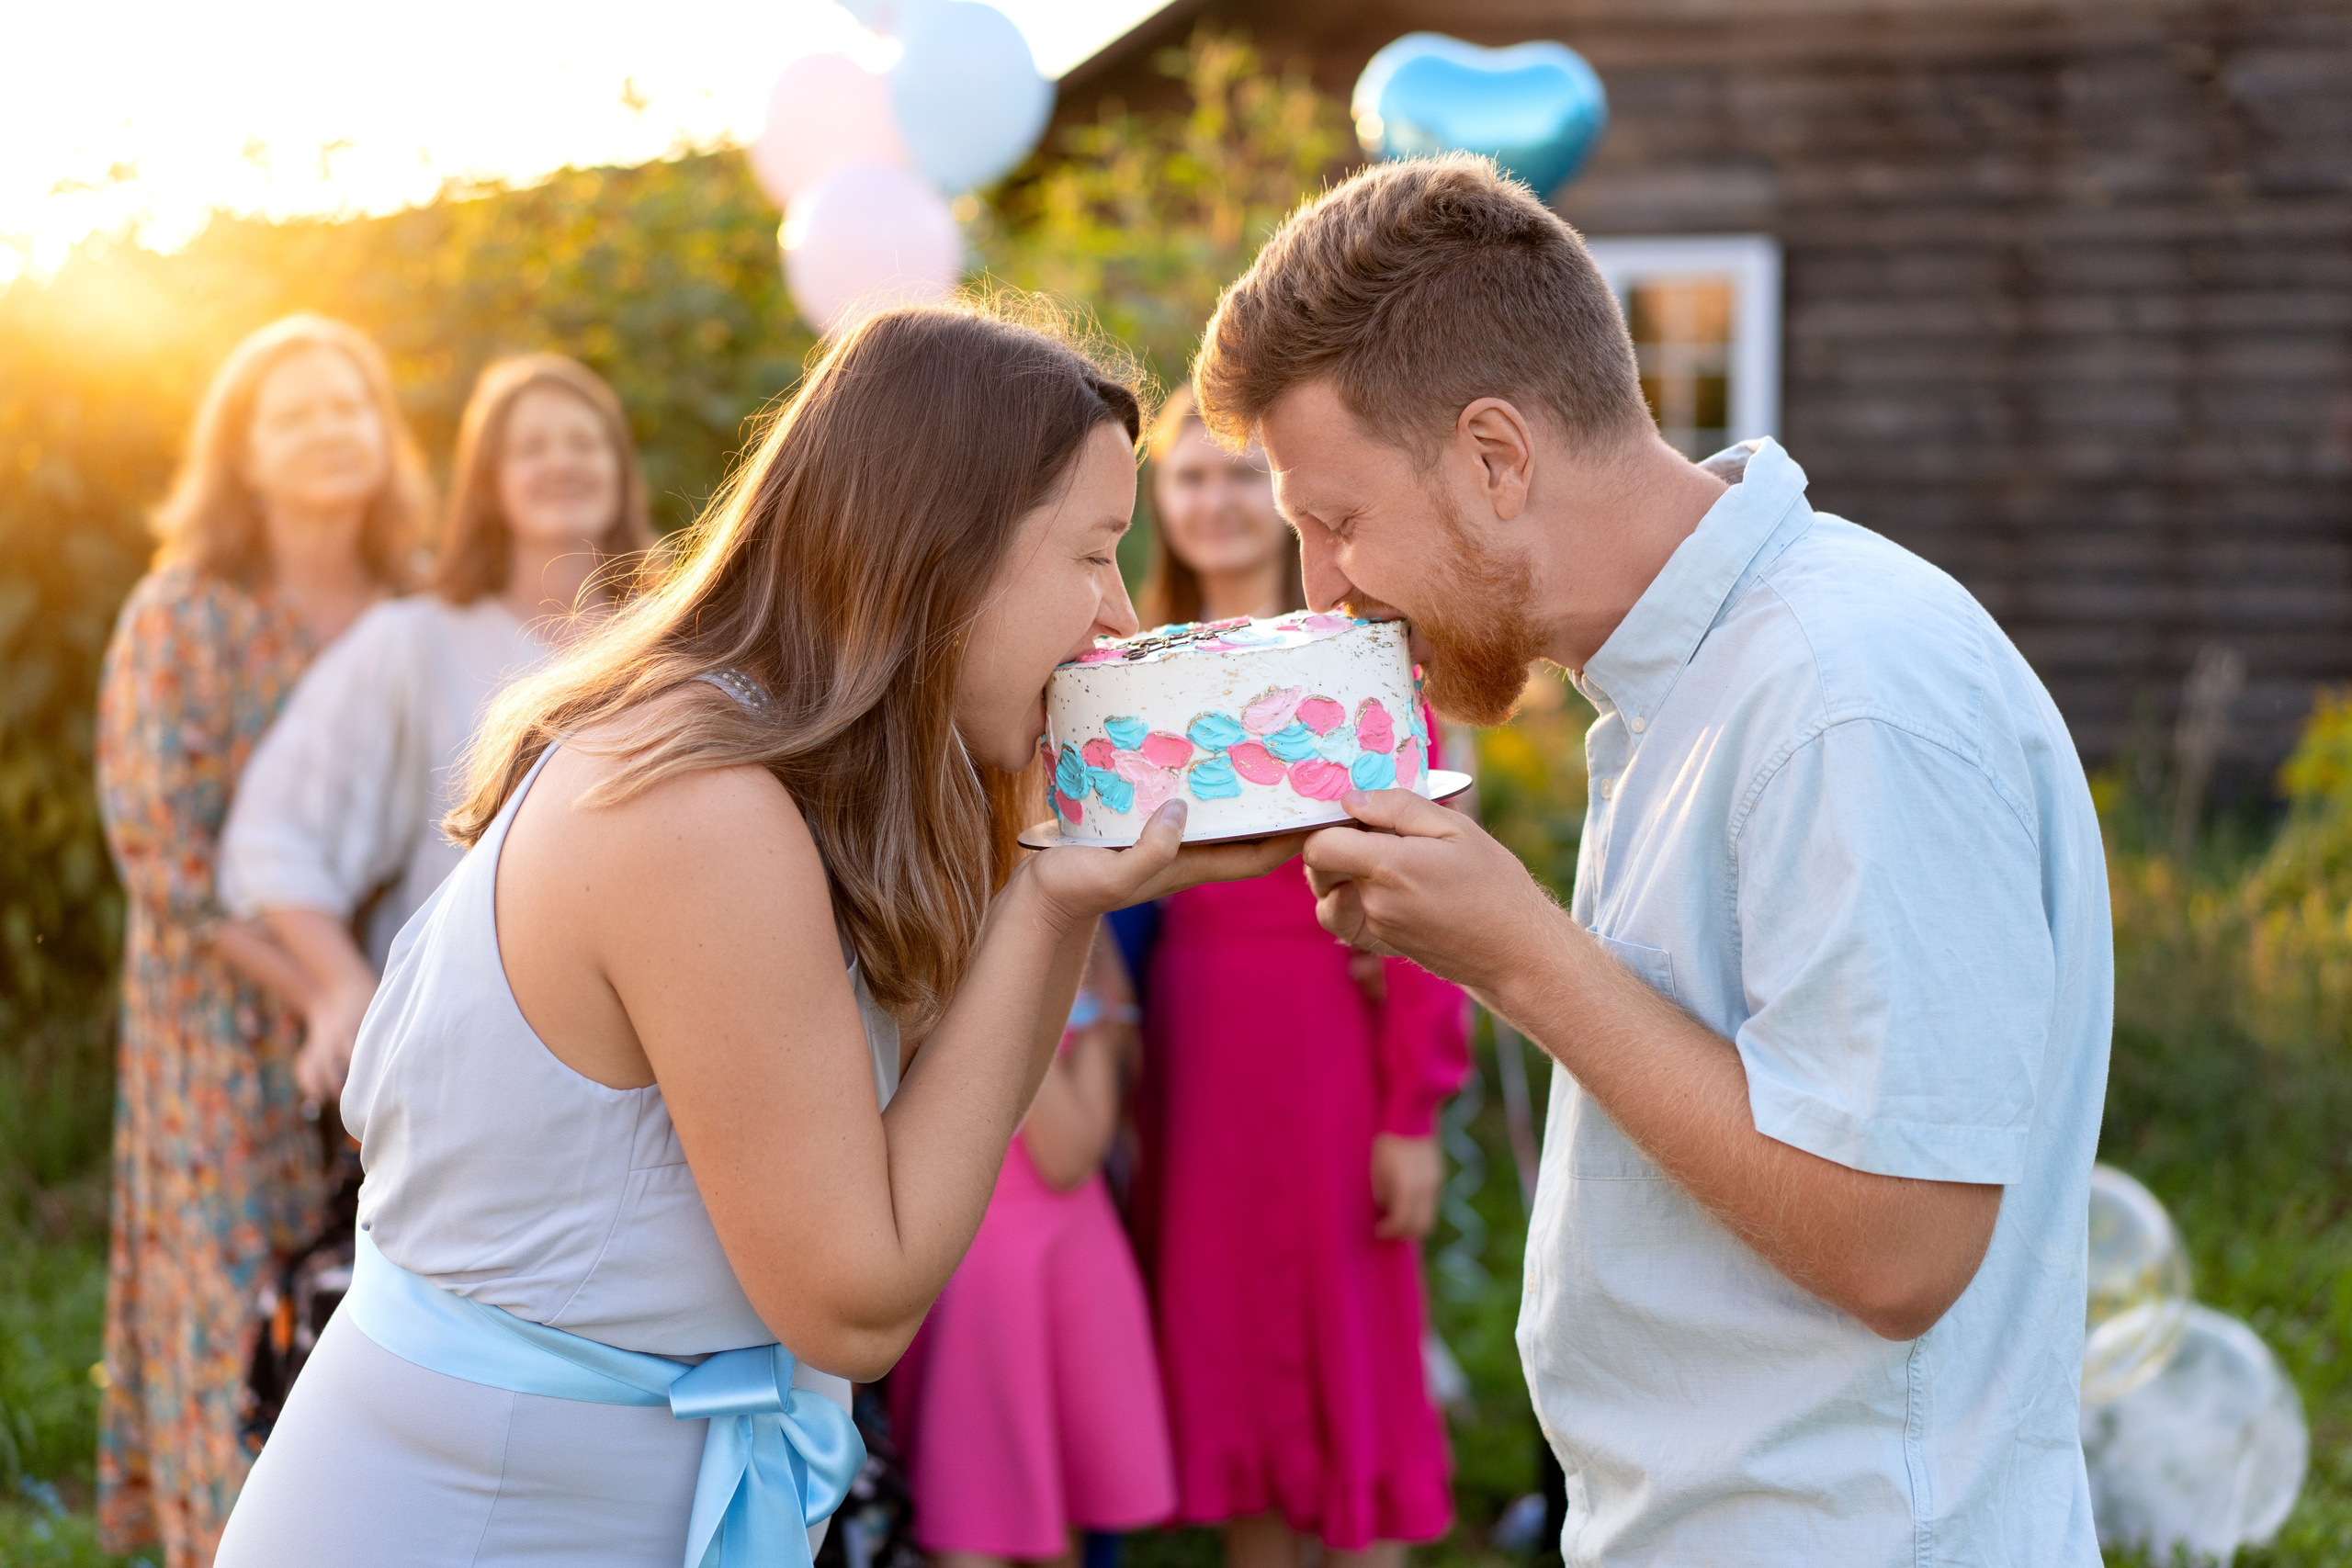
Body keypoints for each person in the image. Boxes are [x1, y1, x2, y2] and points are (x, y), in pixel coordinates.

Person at [214, 299, 1296, 1567]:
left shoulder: (798, 774)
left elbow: (901, 1153)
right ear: (938, 551)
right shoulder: (700, 812)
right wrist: (1056, 898)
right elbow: (854, 1293)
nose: (1119, 617)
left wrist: (1059, 868)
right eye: (1092, 551)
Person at [1193, 153, 2113, 1566]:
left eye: (1339, 519)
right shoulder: (1686, 683)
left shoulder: (1840, 692)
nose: (1322, 583)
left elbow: (1902, 1244)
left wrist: (1518, 955)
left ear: (1496, 457)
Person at [93, 314, 433, 1568]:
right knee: (244, 1332)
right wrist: (319, 995)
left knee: (387, 1335)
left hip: (407, 1018)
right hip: (231, 1037)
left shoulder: (424, 597)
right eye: (294, 414)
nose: (330, 431)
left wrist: (381, 1005)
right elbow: (166, 853)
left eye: (349, 405)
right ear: (243, 452)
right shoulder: (183, 613)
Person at [1133, 388, 1469, 1568]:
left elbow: (1427, 892)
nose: (1212, 501)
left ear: (1277, 503)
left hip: (1325, 1040)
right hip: (1196, 1054)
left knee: (1348, 1359)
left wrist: (1409, 1111)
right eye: (1187, 479)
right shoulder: (1126, 676)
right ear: (1156, 503)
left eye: (1234, 477)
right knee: (1233, 1362)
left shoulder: (1354, 667)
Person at [219, 353, 654, 1104]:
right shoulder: (415, 637)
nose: (562, 462)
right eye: (532, 447)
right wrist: (343, 988)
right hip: (463, 1050)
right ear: (488, 482)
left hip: (650, 1043)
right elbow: (272, 831)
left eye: (585, 443)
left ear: (619, 469)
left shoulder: (676, 642)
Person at [889, 929, 1176, 1567]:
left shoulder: (1084, 944)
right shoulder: (923, 945)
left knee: (1056, 1522)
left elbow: (1072, 1153)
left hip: (1069, 1266)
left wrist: (1017, 998)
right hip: (974, 1273)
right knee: (970, 1517)